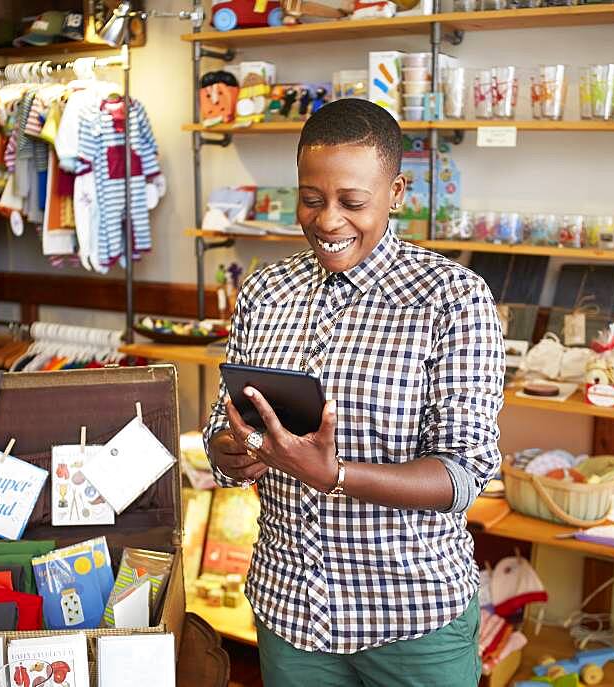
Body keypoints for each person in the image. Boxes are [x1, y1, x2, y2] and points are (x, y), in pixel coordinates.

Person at [203, 98, 505, 687]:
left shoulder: (451, 298)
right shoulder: (266, 291)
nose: (328, 221)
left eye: (352, 202)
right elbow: (226, 424)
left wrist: (335, 475)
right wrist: (231, 452)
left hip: (412, 621)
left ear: (396, 191)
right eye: (311, 200)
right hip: (292, 614)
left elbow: (464, 474)